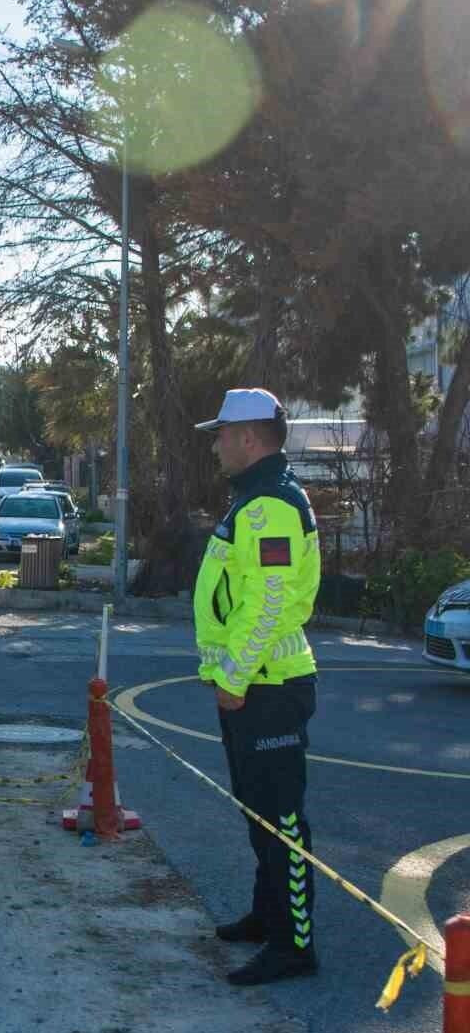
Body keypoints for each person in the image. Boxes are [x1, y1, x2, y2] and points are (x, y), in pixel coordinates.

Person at [193, 388, 321, 986]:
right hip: (254, 684)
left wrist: (235, 678)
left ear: (248, 437)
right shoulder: (255, 499)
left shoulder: (269, 506)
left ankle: (296, 943)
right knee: (259, 812)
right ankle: (269, 916)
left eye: (221, 434)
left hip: (267, 686)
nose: (216, 444)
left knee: (281, 818)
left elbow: (267, 606)